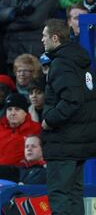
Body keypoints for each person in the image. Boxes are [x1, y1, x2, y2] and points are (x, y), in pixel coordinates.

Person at [41, 18, 96, 215]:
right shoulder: (80, 61)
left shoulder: (61, 64)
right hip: (78, 141)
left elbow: (72, 100)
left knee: (60, 194)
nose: (42, 40)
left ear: (55, 38)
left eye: (45, 36)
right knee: (74, 194)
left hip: (63, 142)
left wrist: (49, 120)